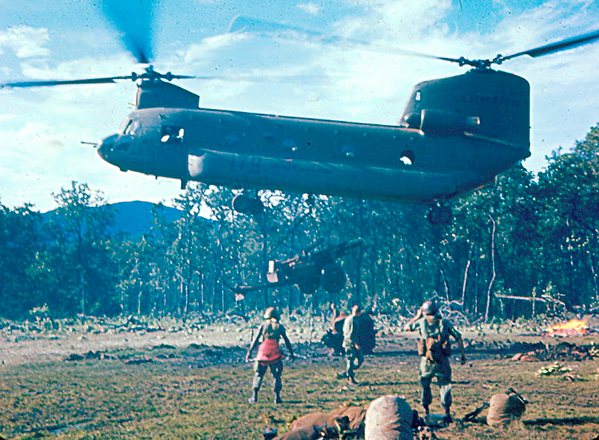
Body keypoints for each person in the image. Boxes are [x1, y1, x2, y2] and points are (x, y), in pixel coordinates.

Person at [403, 300, 466, 423]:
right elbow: (458, 337)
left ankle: (426, 410)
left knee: (425, 385)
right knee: (445, 385)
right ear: (437, 311)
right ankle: (446, 412)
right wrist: (463, 355)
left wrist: (417, 316)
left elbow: (406, 327)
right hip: (442, 360)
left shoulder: (421, 322)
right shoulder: (445, 323)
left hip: (426, 361)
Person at [246, 307, 295, 404]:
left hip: (263, 351)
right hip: (275, 351)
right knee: (276, 375)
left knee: (258, 374)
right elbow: (286, 340)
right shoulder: (279, 327)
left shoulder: (263, 326)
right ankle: (277, 398)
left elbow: (255, 340)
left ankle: (254, 396)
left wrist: (250, 352)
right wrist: (291, 353)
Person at [337, 305, 364, 385]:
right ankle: (350, 377)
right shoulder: (352, 320)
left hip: (349, 342)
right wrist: (355, 343)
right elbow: (351, 334)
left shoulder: (349, 319)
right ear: (359, 312)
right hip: (350, 344)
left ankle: (347, 372)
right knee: (351, 360)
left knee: (359, 359)